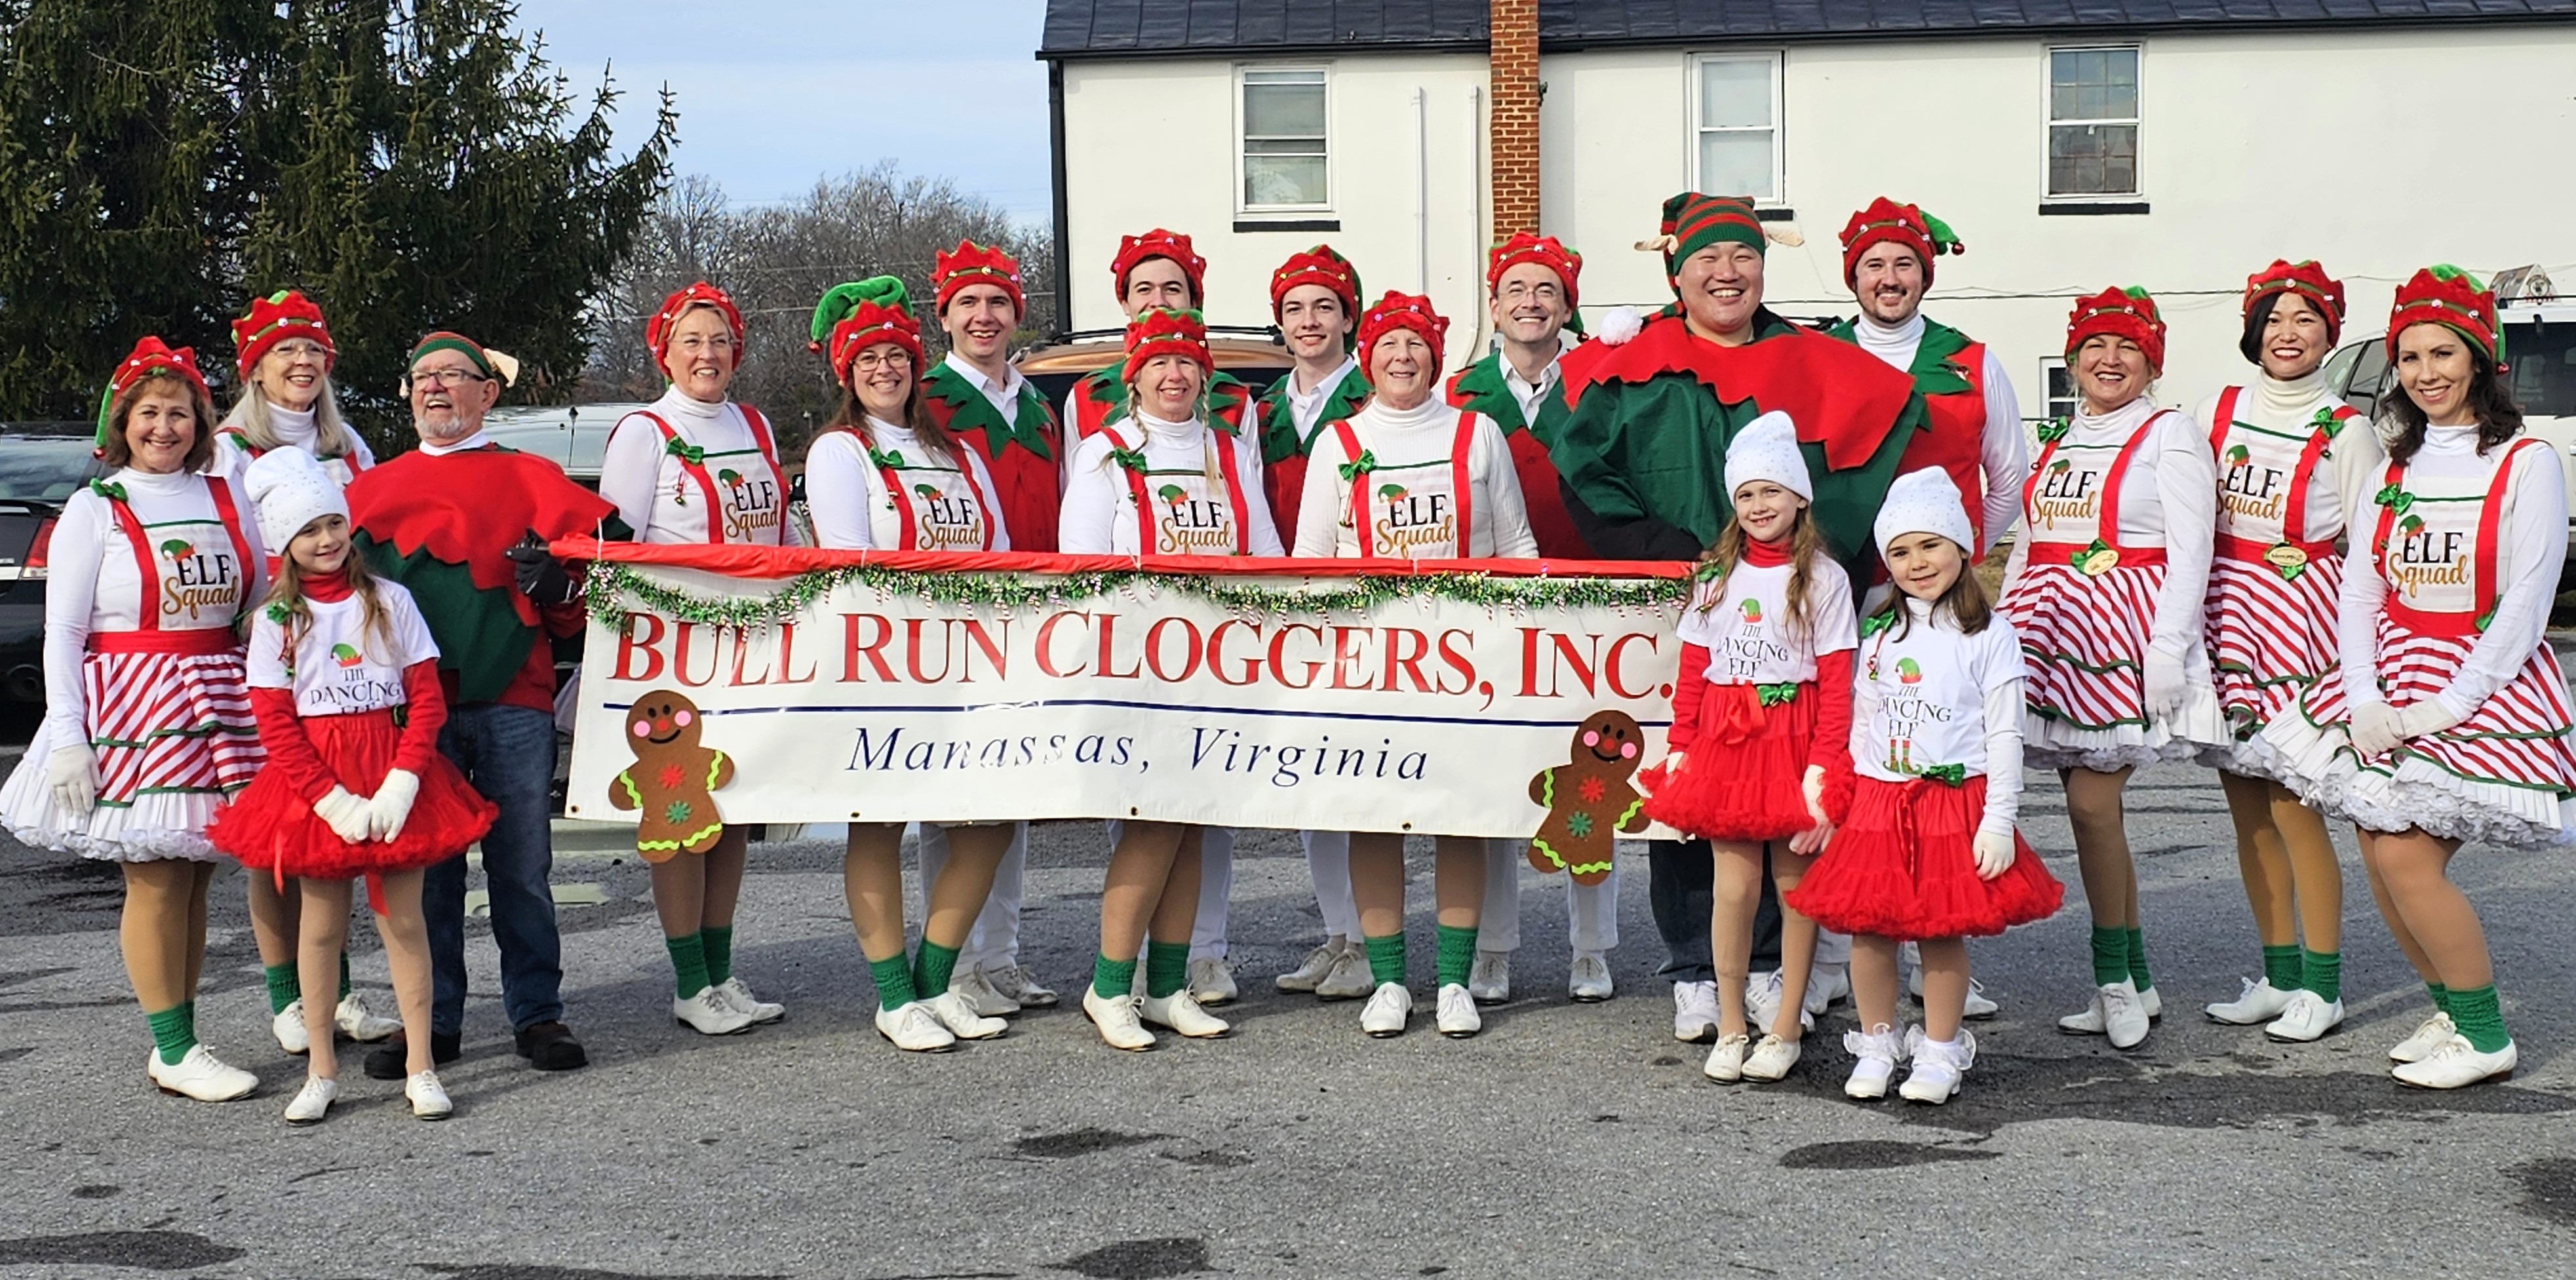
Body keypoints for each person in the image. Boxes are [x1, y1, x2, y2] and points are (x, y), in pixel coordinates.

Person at [1550, 192, 1922, 1047]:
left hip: (1787, 608)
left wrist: (1823, 568)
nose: (1727, 273)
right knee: (1697, 797)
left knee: (1786, 800)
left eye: (1744, 257)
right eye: (1708, 260)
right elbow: (1584, 475)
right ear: (1676, 274)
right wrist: (1666, 552)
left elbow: (1862, 468)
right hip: (1678, 603)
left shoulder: (1815, 360)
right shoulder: (1636, 362)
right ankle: (1694, 967)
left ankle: (1771, 967)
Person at [2286, 267, 2576, 1088]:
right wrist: (2365, 697)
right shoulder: (2395, 466)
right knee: (2378, 849)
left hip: (2486, 682)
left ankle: (2486, 1037)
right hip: (2393, 673)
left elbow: (2528, 599)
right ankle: (2450, 1007)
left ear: (2480, 358)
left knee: (2409, 858)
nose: (2425, 373)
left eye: (2443, 353)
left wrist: (2446, 706)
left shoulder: (2527, 462)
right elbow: (2361, 589)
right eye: (2409, 357)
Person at [345, 331, 620, 1077]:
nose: (435, 387)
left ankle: (538, 1012)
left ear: (488, 393)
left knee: (522, 867)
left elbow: (588, 604)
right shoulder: (369, 491)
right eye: (422, 376)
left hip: (514, 701)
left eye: (452, 375)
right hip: (412, 716)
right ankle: (432, 1020)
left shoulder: (533, 478)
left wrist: (562, 589)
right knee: (427, 872)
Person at [0, 338, 267, 1100]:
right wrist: (68, 737)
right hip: (134, 705)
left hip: (218, 700)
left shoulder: (227, 496)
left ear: (201, 422)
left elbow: (256, 604)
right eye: (148, 413)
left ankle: (180, 1039)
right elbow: (63, 631)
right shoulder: (97, 506)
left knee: (196, 875)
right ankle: (174, 1048)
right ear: (123, 423)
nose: (164, 427)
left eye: (179, 413)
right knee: (154, 877)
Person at [207, 449, 495, 1122]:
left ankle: (421, 1065)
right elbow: (275, 721)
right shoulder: (278, 620)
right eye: (308, 531)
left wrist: (401, 784)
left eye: (334, 523)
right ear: (286, 544)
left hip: (394, 770)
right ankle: (321, 1069)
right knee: (320, 929)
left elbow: (426, 699)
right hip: (318, 782)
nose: (326, 539)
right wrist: (331, 801)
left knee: (405, 923)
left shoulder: (391, 601)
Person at [1293, 292, 1538, 1038]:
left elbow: (1517, 548)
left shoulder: (1477, 432)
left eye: (1417, 344)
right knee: (1376, 819)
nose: (1403, 358)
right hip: (1371, 669)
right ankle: (1391, 981)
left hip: (1467, 668)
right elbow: (1311, 563)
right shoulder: (1339, 443)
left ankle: (1455, 982)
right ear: (1367, 357)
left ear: (1437, 354)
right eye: (1389, 345)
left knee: (1461, 817)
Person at [1785, 469, 2062, 1104]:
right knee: (1871, 928)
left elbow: (2005, 734)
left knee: (1939, 930)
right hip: (1879, 802)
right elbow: (1863, 725)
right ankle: (1877, 1042)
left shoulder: (1990, 635)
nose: (1917, 563)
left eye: (1931, 545)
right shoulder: (1880, 632)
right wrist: (1838, 801)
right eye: (1901, 551)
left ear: (1962, 547)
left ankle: (1939, 1048)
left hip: (1951, 803)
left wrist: (1998, 819)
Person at [1997, 288, 2223, 1051]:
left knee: (2093, 806)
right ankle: (2135, 976)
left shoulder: (2171, 434)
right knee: (2094, 814)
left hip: (2120, 637)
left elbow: (2193, 550)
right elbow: (2031, 543)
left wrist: (2168, 649)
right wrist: (2001, 628)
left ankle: (2113, 982)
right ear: (2073, 360)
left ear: (2152, 362)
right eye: (2095, 346)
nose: (2110, 359)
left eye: (2128, 347)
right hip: (2047, 634)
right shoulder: (2062, 437)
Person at [1823, 197, 2031, 1022]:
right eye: (1874, 265)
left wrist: (1959, 557)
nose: (1889, 278)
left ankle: (1937, 947)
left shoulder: (1972, 362)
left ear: (1925, 274)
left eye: (1903, 264)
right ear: (1853, 277)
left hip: (1936, 589)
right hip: (1845, 588)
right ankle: (1845, 947)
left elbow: (2008, 476)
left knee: (1942, 758)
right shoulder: (1822, 352)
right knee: (1864, 756)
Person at [800, 277, 1019, 1053]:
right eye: (868, 358)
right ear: (847, 372)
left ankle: (933, 981)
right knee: (880, 823)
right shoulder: (840, 450)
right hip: (883, 666)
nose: (885, 369)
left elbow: (998, 553)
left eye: (896, 355)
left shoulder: (954, 453)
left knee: (989, 824)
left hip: (968, 666)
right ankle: (894, 998)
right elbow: (849, 562)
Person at [1060, 307, 1282, 1049]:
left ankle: (1164, 987)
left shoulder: (1228, 449)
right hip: (1141, 671)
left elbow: (1265, 555)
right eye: (1158, 362)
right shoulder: (1106, 452)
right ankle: (1108, 986)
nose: (1174, 375)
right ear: (1135, 375)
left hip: (1220, 670)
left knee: (1193, 822)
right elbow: (1083, 565)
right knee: (1153, 822)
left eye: (1186, 361)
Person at [597, 281, 797, 1037]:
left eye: (719, 341)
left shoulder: (755, 424)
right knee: (679, 814)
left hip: (751, 648)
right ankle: (689, 983)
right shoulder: (644, 432)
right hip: (675, 655)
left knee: (735, 809)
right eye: (692, 342)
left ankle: (720, 972)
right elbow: (620, 550)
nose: (707, 355)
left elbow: (780, 533)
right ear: (665, 353)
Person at [2192, 261, 2382, 1045]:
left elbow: (2369, 547)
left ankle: (2324, 984)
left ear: (2329, 333)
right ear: (2253, 330)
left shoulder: (2348, 429)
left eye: (2306, 319)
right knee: (2247, 814)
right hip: (2226, 620)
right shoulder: (2217, 409)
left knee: (2294, 809)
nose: (2288, 334)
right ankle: (2278, 974)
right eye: (2275, 319)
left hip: (2300, 628)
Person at [1636, 412, 1854, 1083]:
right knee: (1732, 888)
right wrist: (1681, 745)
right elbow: (1694, 671)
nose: (1760, 506)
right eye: (1747, 495)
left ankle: (1785, 1024)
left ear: (1799, 497)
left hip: (1793, 743)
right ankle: (1731, 1023)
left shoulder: (1824, 578)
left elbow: (1837, 683)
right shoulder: (1715, 577)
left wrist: (1824, 767)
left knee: (1795, 889)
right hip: (1729, 745)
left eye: (1772, 491)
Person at [212, 288, 400, 1055]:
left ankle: (337, 991)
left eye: (313, 348)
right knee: (280, 831)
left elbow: (372, 535)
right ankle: (287, 998)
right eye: (284, 350)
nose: (301, 361)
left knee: (335, 832)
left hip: (343, 651)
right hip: (270, 644)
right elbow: (228, 546)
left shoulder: (347, 442)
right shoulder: (228, 448)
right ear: (254, 368)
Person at [1442, 232, 1620, 1004]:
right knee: (1492, 781)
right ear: (1494, 306)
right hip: (1495, 613)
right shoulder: (1460, 393)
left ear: (1567, 306)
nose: (1530, 302)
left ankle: (1591, 947)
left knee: (1593, 777)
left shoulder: (1601, 383)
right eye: (1516, 289)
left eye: (1546, 289)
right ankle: (1493, 946)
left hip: (1591, 606)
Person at [913, 240, 1065, 1019]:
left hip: (1030, 621)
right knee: (954, 803)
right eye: (968, 303)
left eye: (998, 302)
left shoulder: (1037, 404)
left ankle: (1000, 956)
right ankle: (957, 961)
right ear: (944, 317)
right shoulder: (926, 401)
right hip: (957, 624)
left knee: (1013, 790)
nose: (984, 316)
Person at [1255, 243, 1380, 1005]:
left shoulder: (1377, 392)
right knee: (1309, 778)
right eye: (1295, 309)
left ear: (1347, 318)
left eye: (1324, 307)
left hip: (1361, 611)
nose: (1310, 322)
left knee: (1358, 774)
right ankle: (1339, 933)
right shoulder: (1258, 412)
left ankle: (1368, 939)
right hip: (1287, 609)